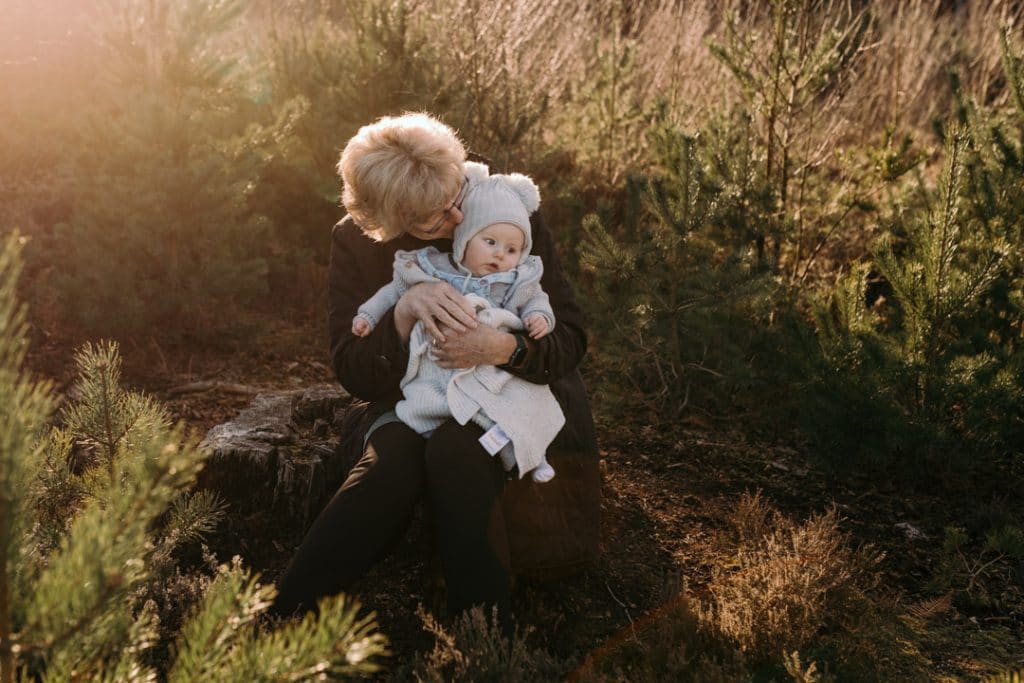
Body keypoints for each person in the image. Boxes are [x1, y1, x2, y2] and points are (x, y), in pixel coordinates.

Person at [270, 112, 598, 633]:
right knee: (389, 463)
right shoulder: (358, 242)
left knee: (459, 454)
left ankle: (487, 644)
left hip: (513, 391)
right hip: (409, 395)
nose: (453, 215)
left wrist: (502, 347)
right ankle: (282, 622)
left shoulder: (506, 210)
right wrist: (404, 310)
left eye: (453, 193)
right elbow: (353, 369)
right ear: (387, 222)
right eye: (429, 218)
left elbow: (570, 339)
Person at [351, 171, 561, 482]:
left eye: (512, 250)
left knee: (509, 416)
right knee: (422, 412)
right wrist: (368, 316)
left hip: (490, 379)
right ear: (465, 240)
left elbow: (537, 300)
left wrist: (540, 318)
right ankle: (425, 432)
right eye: (490, 242)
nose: (500, 254)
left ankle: (529, 454)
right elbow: (393, 291)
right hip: (435, 371)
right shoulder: (432, 268)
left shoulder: (517, 280)